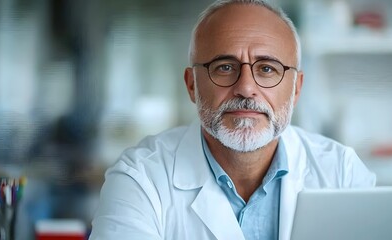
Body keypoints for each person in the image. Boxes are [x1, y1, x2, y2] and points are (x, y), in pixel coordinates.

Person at [89, 0, 376, 239]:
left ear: (296, 88)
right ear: (192, 85)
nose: (246, 87)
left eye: (267, 68)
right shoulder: (141, 179)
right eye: (224, 67)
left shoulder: (342, 174)